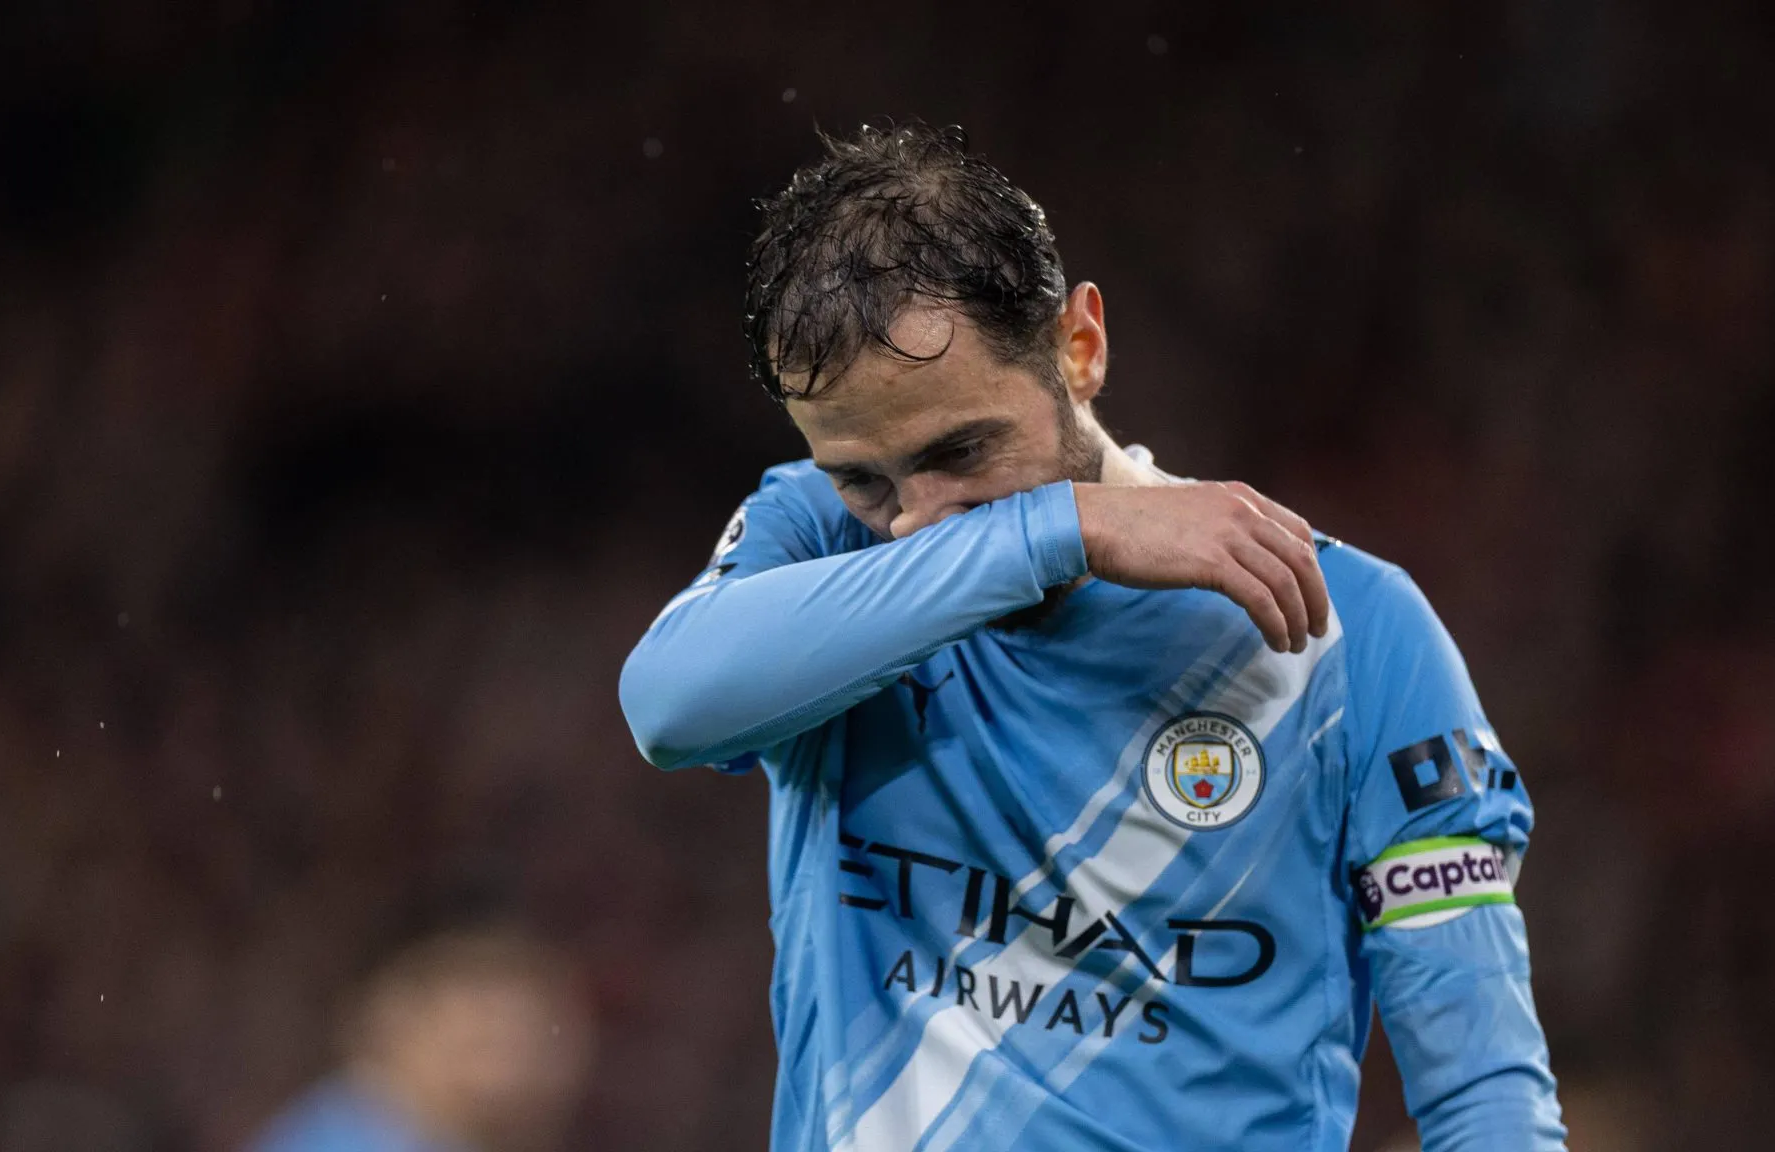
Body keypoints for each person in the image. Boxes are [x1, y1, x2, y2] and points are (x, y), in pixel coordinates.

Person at [619, 121, 1565, 1151]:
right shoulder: (818, 542)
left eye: (963, 449)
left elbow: (1481, 1094)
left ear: (1079, 346)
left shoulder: (1351, 631)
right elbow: (668, 708)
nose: (917, 519)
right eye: (863, 475)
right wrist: (1061, 526)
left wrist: (1057, 527)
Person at [245, 927, 593, 1152]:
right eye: (481, 1042)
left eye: (527, 1045)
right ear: (393, 1017)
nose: (510, 1070)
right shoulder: (337, 1139)